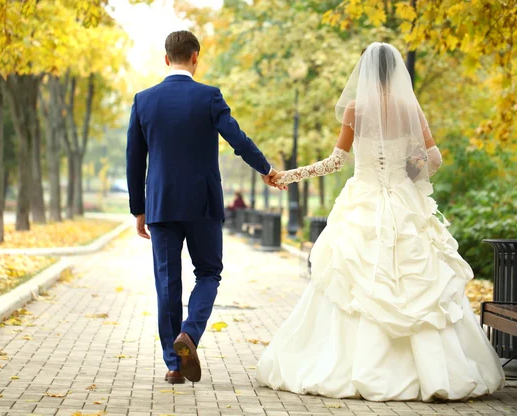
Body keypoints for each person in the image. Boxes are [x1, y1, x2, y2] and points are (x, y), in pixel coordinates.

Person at [257, 42, 505, 401]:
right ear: (396, 72)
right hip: (405, 203)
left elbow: (334, 163)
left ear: (366, 71)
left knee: (355, 282)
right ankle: (435, 373)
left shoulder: (356, 110)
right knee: (420, 284)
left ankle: (356, 368)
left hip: (365, 202)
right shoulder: (409, 108)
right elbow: (433, 159)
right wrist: (411, 170)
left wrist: (289, 175)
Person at [126, 30, 283, 385]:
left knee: (167, 282)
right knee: (209, 273)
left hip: (162, 205)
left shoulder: (143, 100)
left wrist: (139, 208)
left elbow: (134, 160)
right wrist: (267, 170)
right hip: (203, 203)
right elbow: (238, 139)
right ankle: (190, 335)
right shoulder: (209, 96)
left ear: (166, 59)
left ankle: (173, 365)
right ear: (196, 57)